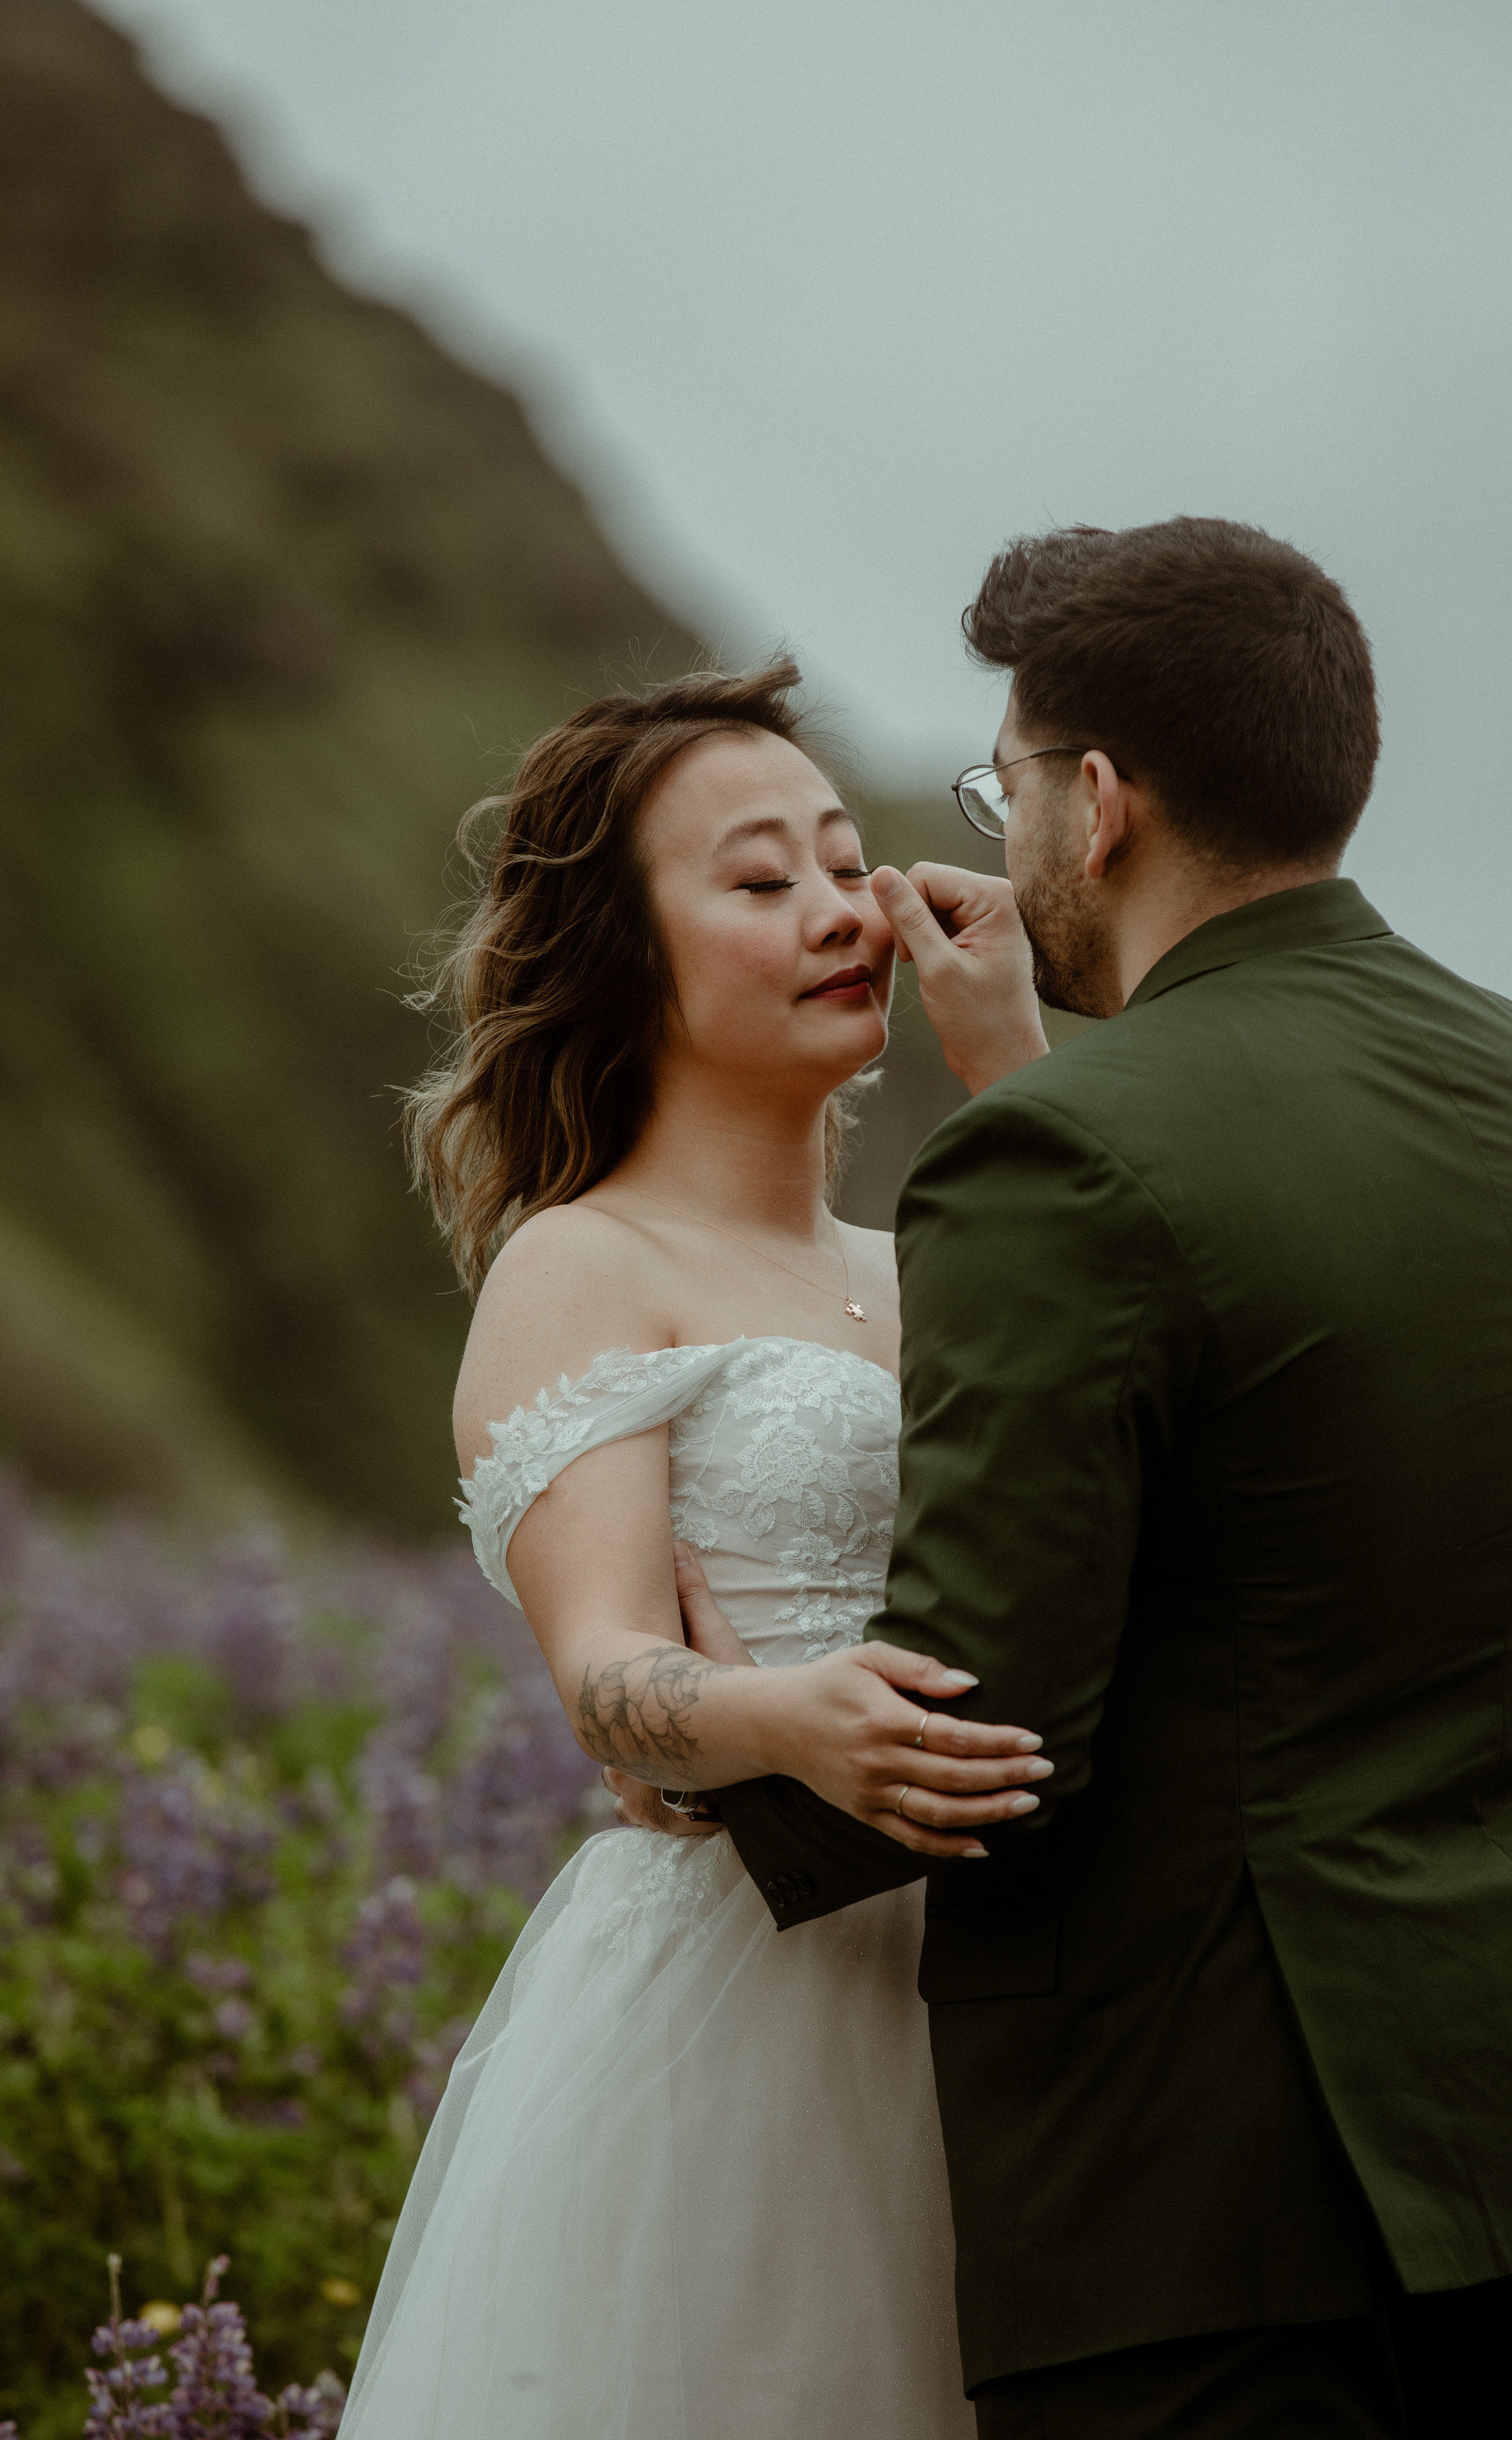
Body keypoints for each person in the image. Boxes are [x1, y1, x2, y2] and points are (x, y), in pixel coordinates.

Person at [685, 518, 1512, 2437]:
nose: (1004, 823)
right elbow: (1300, 1433)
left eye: (1007, 782)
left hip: (1189, 2200)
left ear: (1096, 804)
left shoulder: (1061, 1164)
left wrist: (697, 1777)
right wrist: (1046, 1078)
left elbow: (994, 1717)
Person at [339, 663, 1050, 2440]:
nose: (837, 911)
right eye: (756, 881)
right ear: (626, 950)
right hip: (743, 2011)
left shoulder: (946, 1251)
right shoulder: (583, 1263)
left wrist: (1025, 1080)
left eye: (840, 861)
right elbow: (607, 1684)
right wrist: (785, 1717)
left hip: (1014, 1999)